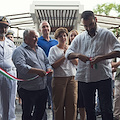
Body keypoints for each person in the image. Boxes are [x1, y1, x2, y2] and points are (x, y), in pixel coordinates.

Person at [65, 10, 120, 120]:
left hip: (103, 76)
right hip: (85, 78)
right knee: (89, 109)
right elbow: (68, 54)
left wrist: (102, 57)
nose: (89, 28)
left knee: (106, 109)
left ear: (95, 20)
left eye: (91, 24)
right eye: (85, 26)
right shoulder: (80, 37)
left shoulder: (106, 34)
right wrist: (79, 55)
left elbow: (118, 50)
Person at [12, 29, 53, 120]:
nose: (36, 39)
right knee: (27, 113)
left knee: (40, 111)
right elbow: (20, 66)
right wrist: (37, 71)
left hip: (42, 87)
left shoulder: (40, 50)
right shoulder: (19, 51)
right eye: (33, 37)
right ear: (26, 39)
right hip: (27, 89)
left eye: (36, 37)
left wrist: (48, 68)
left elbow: (47, 62)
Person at [48, 27, 78, 120]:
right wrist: (64, 56)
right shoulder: (53, 49)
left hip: (72, 78)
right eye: (60, 36)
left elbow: (76, 63)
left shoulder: (71, 48)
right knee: (59, 105)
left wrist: (69, 54)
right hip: (59, 78)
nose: (63, 38)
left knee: (72, 104)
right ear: (57, 38)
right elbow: (54, 65)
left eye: (65, 35)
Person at [37, 21, 58, 110]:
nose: (46, 28)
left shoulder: (55, 42)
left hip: (53, 70)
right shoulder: (37, 41)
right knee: (41, 94)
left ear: (50, 28)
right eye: (43, 27)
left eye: (47, 26)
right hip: (41, 71)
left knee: (53, 93)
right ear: (40, 30)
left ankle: (54, 112)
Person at [0, 16, 17, 120]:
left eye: (5, 27)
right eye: (1, 27)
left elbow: (14, 59)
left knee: (9, 101)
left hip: (8, 74)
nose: (3, 30)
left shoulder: (10, 43)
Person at [68, 29, 86, 120]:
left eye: (75, 35)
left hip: (81, 78)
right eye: (71, 36)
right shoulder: (68, 49)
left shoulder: (82, 48)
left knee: (82, 103)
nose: (73, 37)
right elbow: (76, 62)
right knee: (74, 103)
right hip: (72, 78)